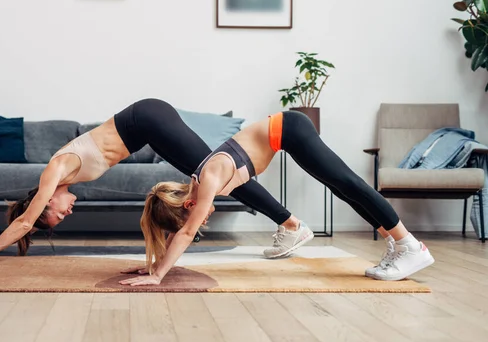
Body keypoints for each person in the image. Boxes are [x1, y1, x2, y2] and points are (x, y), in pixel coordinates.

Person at [0, 99, 313, 264]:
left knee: (213, 173)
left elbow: (25, 222)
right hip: (145, 125)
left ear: (45, 204)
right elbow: (27, 221)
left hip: (145, 120)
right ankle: (289, 223)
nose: (66, 213)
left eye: (56, 215)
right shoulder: (63, 174)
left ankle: (291, 224)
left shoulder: (53, 173)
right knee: (216, 176)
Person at [120, 110, 435, 286]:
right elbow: (183, 229)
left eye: (200, 220)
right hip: (288, 132)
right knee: (341, 189)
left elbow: (185, 232)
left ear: (189, 205)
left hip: (290, 129)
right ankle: (395, 242)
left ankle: (410, 245)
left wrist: (159, 275)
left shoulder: (206, 181)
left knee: (348, 182)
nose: (204, 222)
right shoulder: (201, 183)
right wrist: (156, 262)